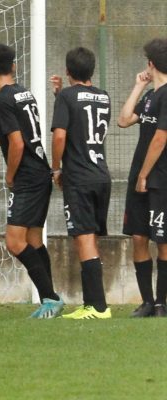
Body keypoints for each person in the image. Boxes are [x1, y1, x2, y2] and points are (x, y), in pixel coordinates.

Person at [0, 43, 63, 318]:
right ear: (13, 66)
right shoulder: (24, 92)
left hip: (27, 178)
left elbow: (18, 144)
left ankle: (50, 298)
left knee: (14, 242)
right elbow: (24, 136)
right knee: (33, 240)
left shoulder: (1, 99)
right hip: (40, 172)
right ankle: (50, 298)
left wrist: (9, 176)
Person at [49, 47, 112, 319]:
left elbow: (61, 136)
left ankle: (97, 307)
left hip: (79, 176)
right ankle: (93, 304)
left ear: (67, 70)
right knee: (90, 238)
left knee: (84, 238)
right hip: (101, 174)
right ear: (92, 70)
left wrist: (55, 169)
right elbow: (84, 122)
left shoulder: (66, 96)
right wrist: (59, 96)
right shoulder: (104, 96)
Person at [130, 38, 167, 318]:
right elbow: (122, 119)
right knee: (139, 237)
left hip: (160, 179)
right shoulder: (150, 96)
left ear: (151, 63)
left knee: (163, 240)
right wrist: (138, 86)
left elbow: (160, 137)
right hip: (139, 178)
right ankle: (147, 301)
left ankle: (160, 304)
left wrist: (144, 174)